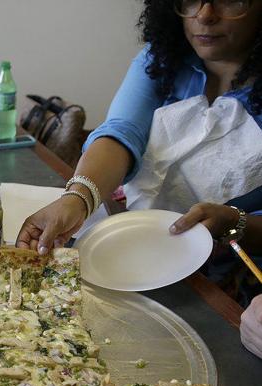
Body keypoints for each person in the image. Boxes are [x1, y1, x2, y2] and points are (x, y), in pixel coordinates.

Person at [18, 0, 262, 254]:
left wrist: (236, 223)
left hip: (233, 265)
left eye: (228, 0)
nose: (204, 15)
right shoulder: (163, 57)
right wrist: (77, 198)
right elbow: (121, 133)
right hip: (142, 241)